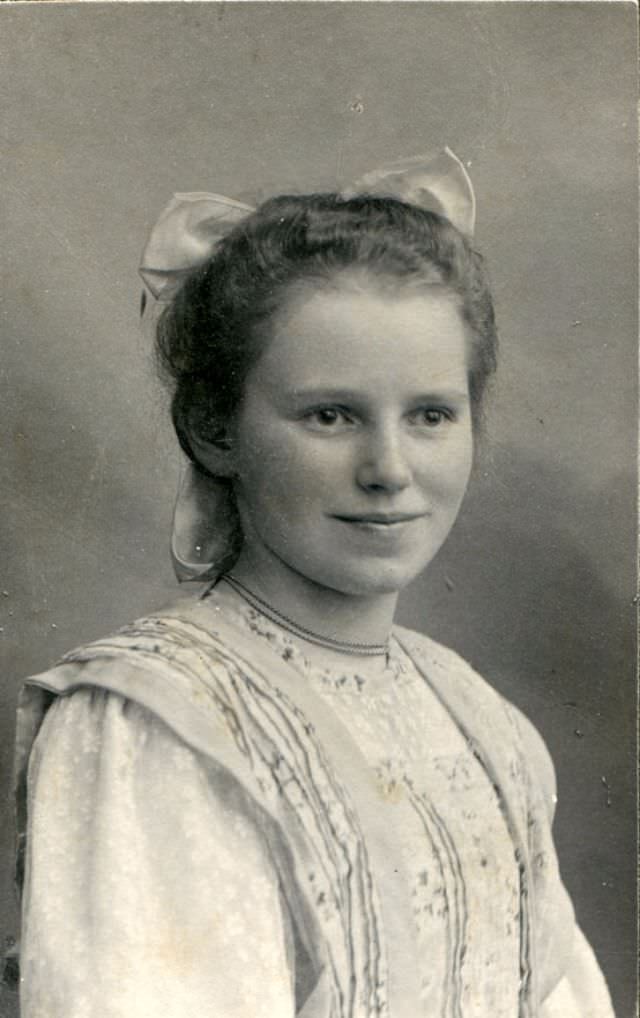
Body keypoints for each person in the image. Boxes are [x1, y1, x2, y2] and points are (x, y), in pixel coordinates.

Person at [8, 150, 614, 1017]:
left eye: (431, 415)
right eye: (331, 415)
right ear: (216, 430)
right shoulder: (158, 722)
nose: (390, 469)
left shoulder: (479, 719)